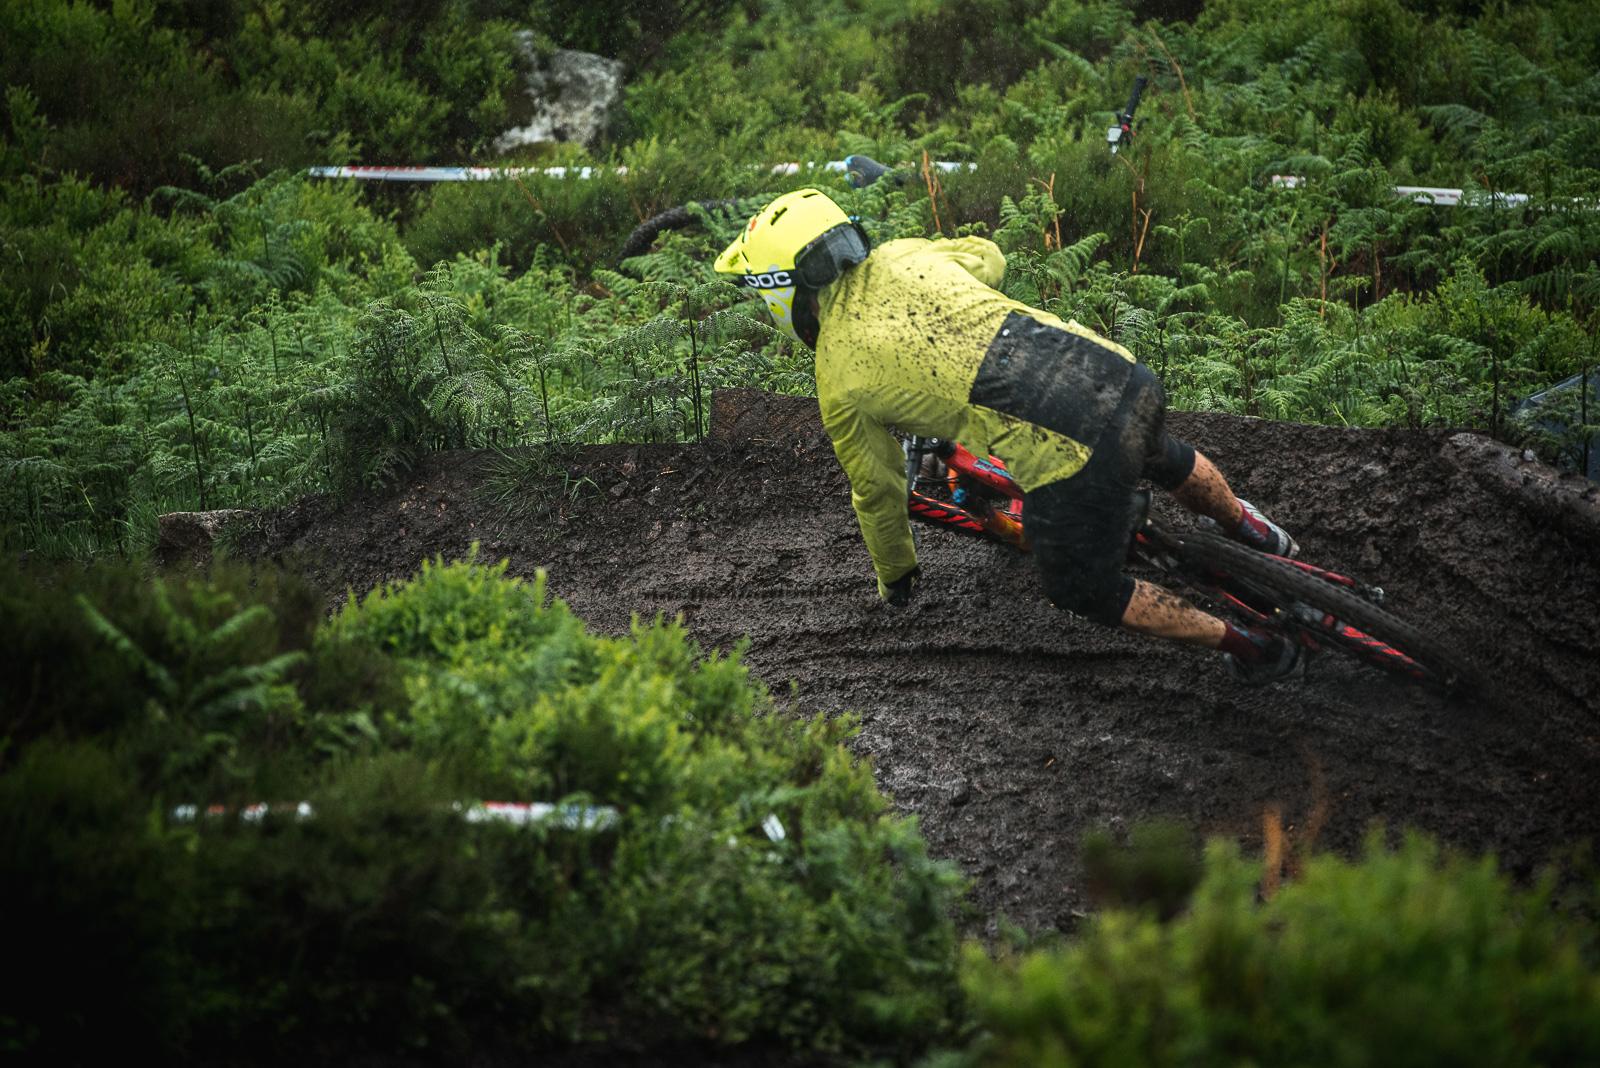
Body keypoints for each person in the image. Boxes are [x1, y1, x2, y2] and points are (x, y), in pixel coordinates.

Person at [714, 188, 1303, 683]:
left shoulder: (837, 377)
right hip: (1119, 375)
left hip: (1071, 450)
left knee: (1081, 587)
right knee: (1160, 453)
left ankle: (1254, 648)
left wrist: (896, 576)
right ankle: (1255, 531)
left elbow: (877, 488)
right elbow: (990, 258)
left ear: (779, 289)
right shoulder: (903, 255)